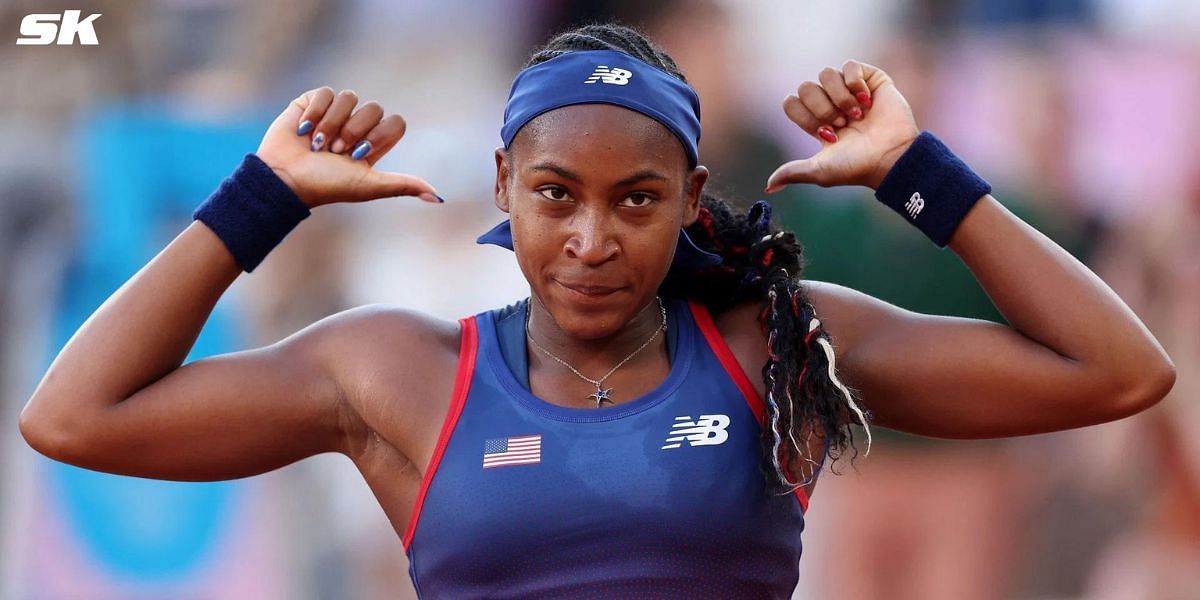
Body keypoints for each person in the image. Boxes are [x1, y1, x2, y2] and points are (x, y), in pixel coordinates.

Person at [18, 24, 1174, 597]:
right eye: (555, 194)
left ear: (687, 203)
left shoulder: (773, 341)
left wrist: (918, 171)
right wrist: (260, 200)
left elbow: (1117, 371)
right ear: (504, 190)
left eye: (636, 200)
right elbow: (76, 417)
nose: (590, 238)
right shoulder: (398, 372)